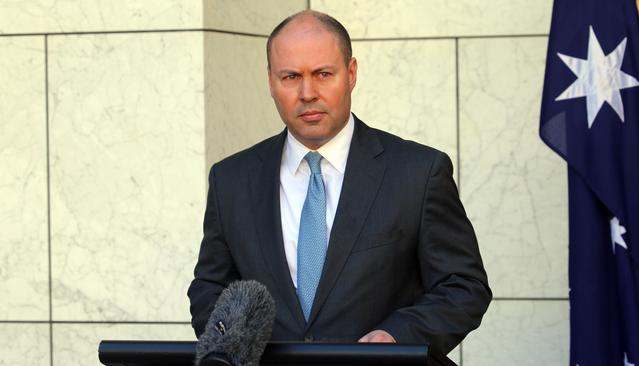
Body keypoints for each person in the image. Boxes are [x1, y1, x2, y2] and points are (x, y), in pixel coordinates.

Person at [187, 10, 491, 354]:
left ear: (351, 74)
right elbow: (210, 287)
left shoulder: (419, 172)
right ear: (271, 82)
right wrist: (232, 342)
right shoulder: (232, 180)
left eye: (322, 74)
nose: (307, 92)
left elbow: (463, 286)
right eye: (290, 77)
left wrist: (397, 337)